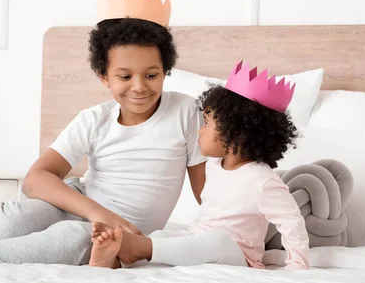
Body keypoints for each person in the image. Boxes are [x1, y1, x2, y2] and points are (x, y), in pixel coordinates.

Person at [0, 0, 207, 267]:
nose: (138, 87)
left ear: (166, 71)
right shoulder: (95, 119)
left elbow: (204, 189)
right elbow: (35, 179)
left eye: (151, 75)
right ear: (104, 77)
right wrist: (100, 212)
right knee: (20, 217)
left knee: (71, 239)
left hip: (112, 235)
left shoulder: (186, 112)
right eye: (125, 76)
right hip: (82, 204)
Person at [88, 60, 310, 271]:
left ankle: (137, 248)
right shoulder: (213, 165)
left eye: (207, 123)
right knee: (163, 236)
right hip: (197, 237)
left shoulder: (263, 180)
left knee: (217, 241)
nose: (200, 130)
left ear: (236, 134)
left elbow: (292, 223)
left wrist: (298, 267)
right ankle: (117, 261)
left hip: (238, 256)